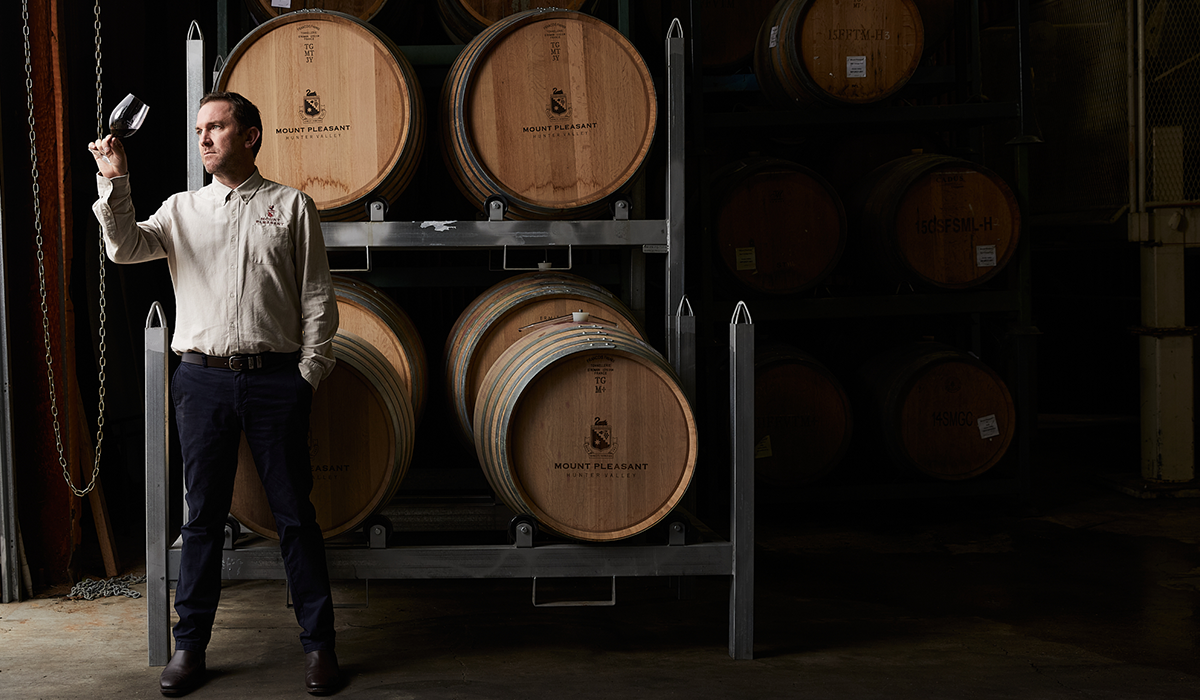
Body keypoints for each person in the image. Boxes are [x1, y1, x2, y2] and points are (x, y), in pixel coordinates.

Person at [90, 91, 341, 696]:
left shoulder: (292, 206)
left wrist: (307, 374)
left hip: (276, 379)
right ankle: (190, 648)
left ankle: (321, 648)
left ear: (250, 135)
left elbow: (316, 299)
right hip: (201, 380)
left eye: (218, 127)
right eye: (199, 129)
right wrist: (115, 183)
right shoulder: (182, 209)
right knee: (201, 517)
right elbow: (124, 247)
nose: (205, 138)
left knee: (295, 519)